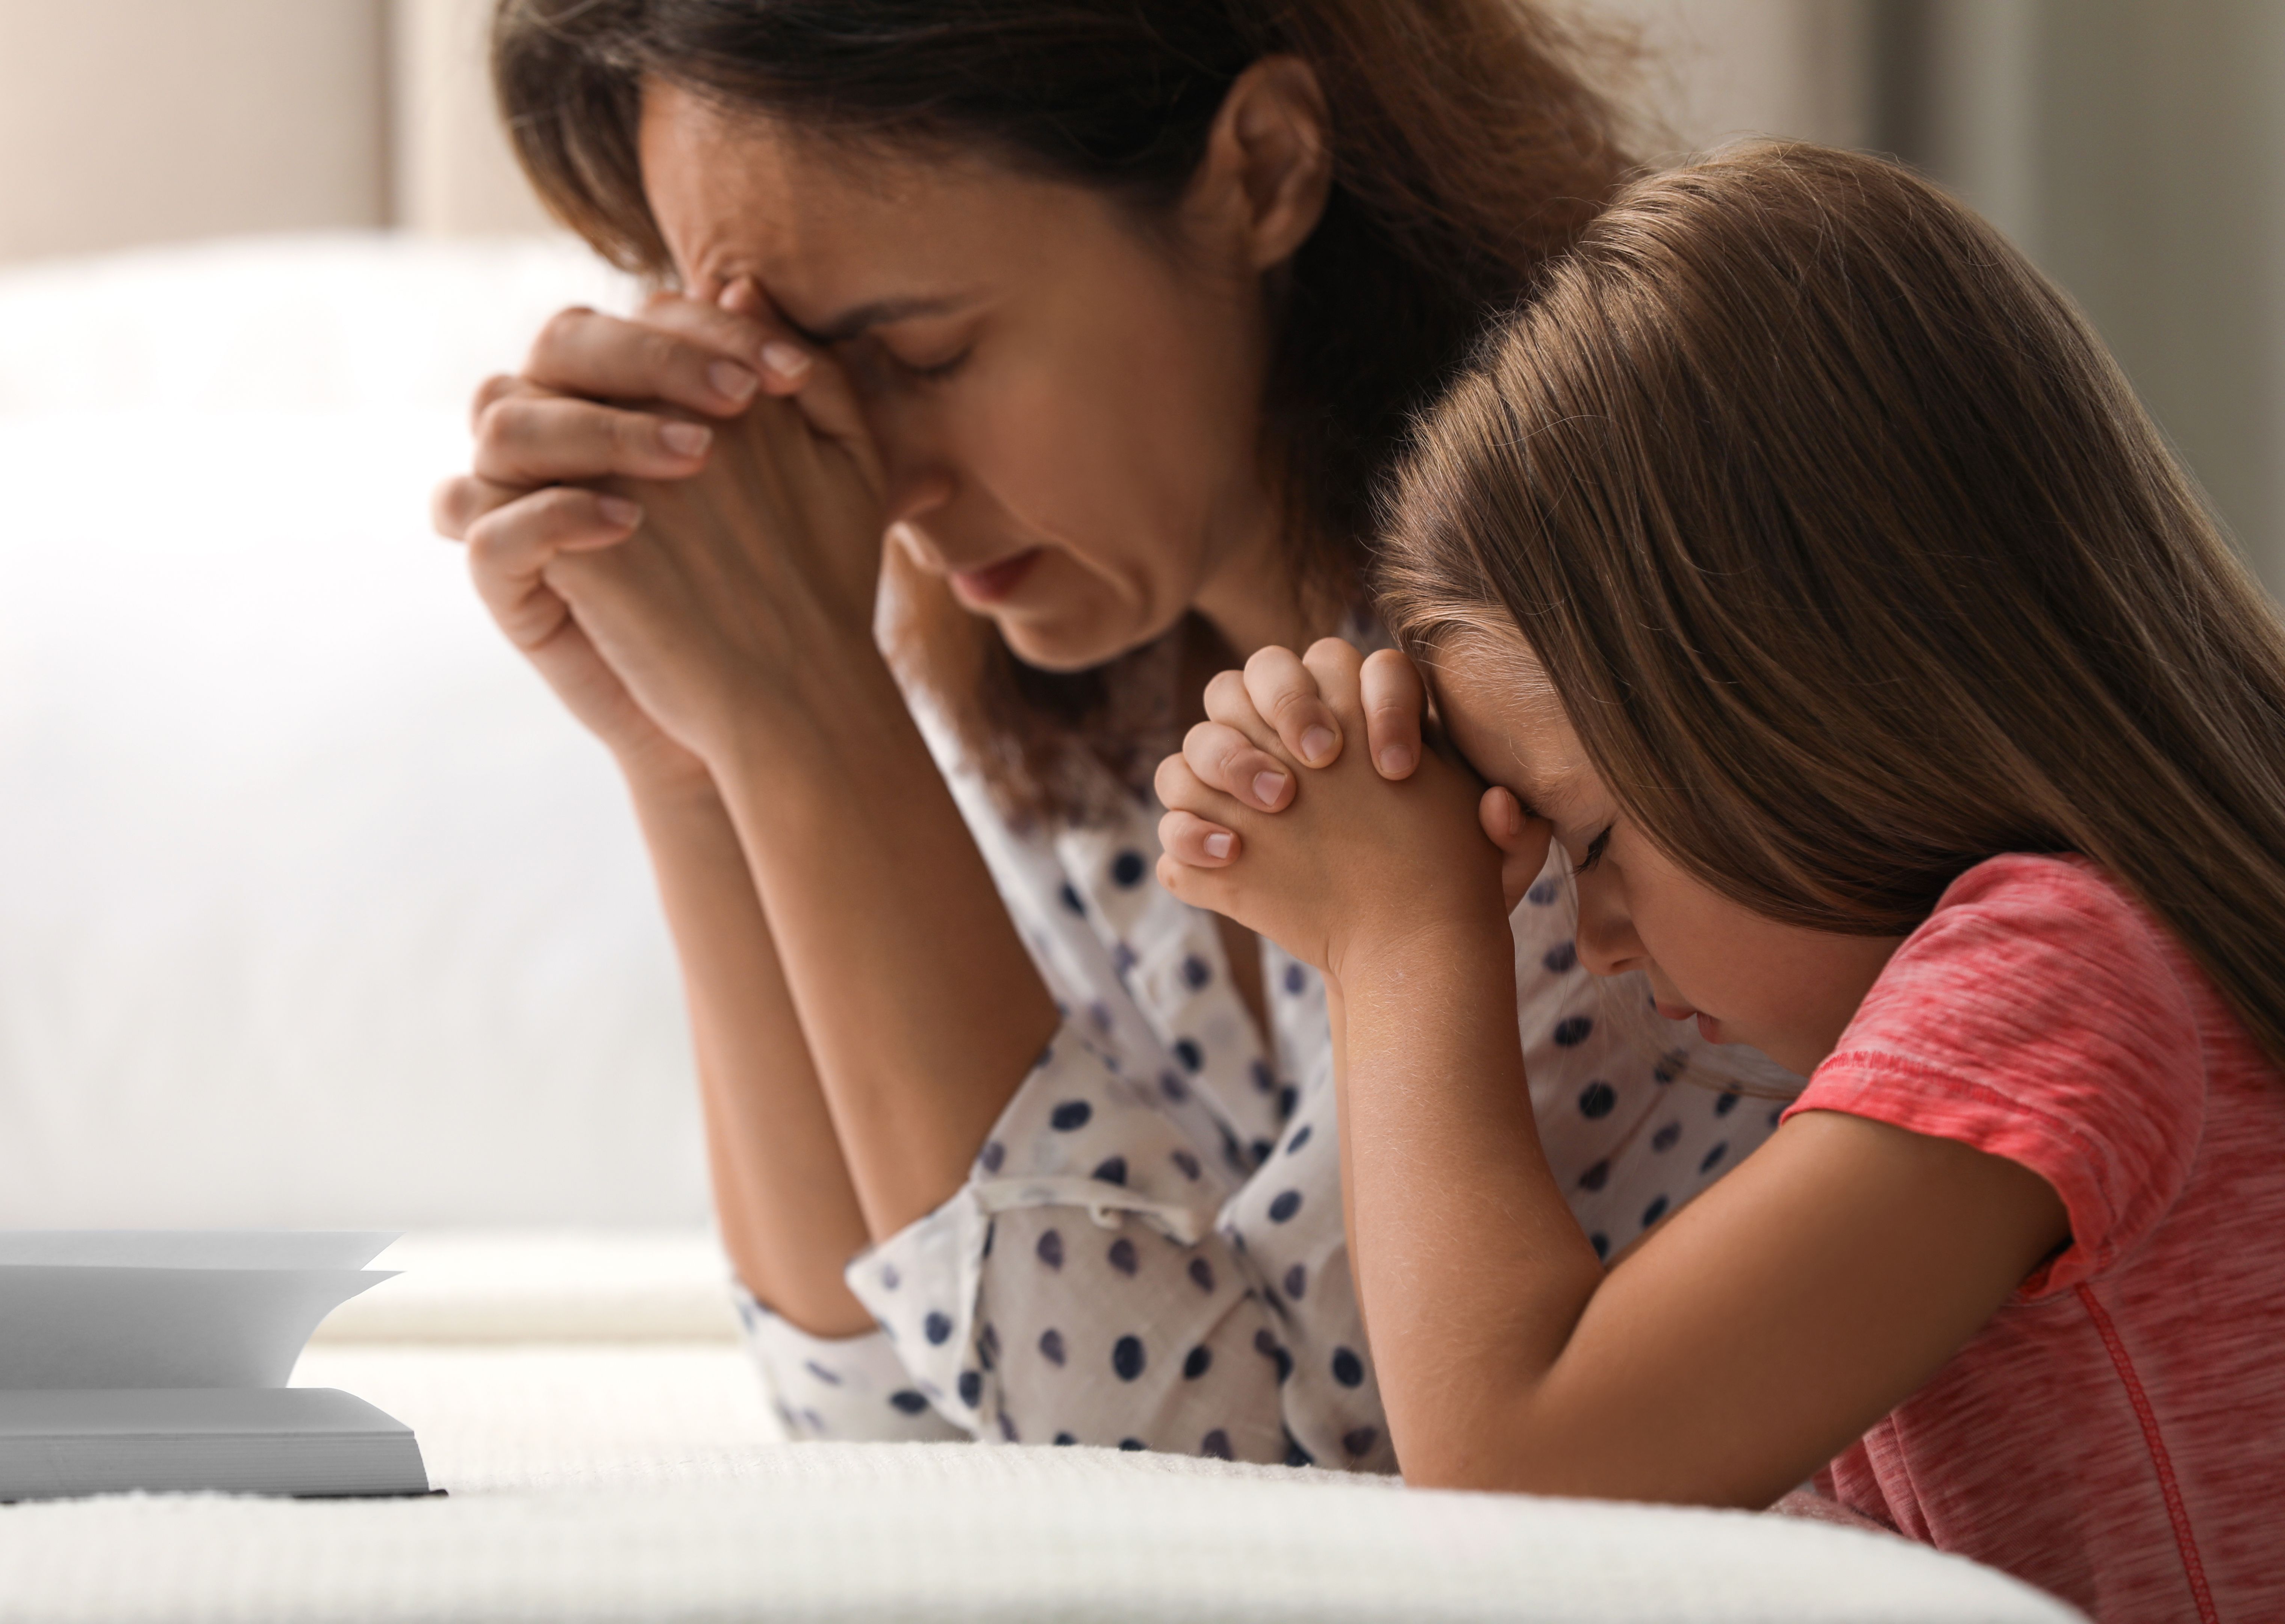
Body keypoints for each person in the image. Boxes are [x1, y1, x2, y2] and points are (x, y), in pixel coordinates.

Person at [431, 0, 1786, 1467]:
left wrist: (809, 724)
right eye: (794, 380)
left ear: (1264, 171)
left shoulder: (1567, 704)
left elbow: (1221, 1491)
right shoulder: (1116, 694)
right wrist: (692, 763)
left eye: (925, 354)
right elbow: (888, 1411)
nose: (873, 484)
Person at [1154, 142, 2285, 1621]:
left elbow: (1520, 1482)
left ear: (1814, 699)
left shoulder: (2063, 971)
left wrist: (1400, 938)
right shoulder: (2105, 976)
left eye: (1597, 845)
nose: (1598, 942)